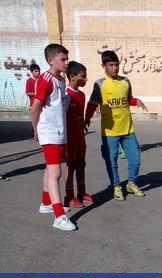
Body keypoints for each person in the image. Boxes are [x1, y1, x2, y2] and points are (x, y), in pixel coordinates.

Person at [85, 50, 148, 202]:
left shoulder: (125, 81)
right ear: (104, 66)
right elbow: (92, 104)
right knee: (112, 161)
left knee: (135, 159)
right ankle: (117, 186)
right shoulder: (100, 84)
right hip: (110, 131)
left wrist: (136, 101)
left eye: (117, 65)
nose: (115, 68)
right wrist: (86, 119)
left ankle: (131, 183)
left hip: (128, 129)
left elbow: (128, 99)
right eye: (111, 65)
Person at [30, 44, 76, 231]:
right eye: (62, 59)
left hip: (59, 132)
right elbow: (35, 109)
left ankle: (46, 203)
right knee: (56, 172)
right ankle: (59, 216)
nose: (66, 62)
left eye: (66, 58)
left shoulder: (60, 80)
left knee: (51, 170)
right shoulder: (45, 80)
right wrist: (36, 131)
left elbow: (60, 102)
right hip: (49, 132)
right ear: (51, 61)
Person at [64, 61, 93, 208]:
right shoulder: (65, 94)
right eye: (83, 76)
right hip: (70, 138)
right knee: (71, 165)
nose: (86, 79)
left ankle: (82, 192)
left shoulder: (81, 95)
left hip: (80, 136)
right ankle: (69, 195)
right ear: (73, 77)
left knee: (81, 163)